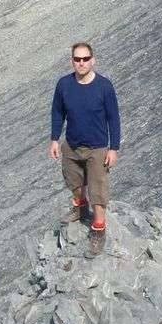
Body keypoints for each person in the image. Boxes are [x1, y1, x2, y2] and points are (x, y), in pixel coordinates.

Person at [49, 42, 121, 256]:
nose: (81, 63)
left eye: (85, 59)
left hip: (97, 147)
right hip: (72, 145)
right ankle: (80, 207)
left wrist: (113, 148)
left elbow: (113, 118)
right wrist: (54, 139)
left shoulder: (104, 87)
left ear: (93, 60)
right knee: (74, 181)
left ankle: (98, 228)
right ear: (72, 61)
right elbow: (57, 113)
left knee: (98, 189)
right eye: (77, 59)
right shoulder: (64, 85)